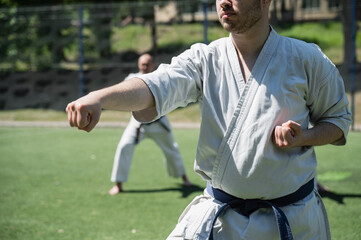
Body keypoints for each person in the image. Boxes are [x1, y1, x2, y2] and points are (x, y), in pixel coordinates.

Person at [66, 0, 352, 239]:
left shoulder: (307, 59)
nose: (223, 1)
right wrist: (100, 97)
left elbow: (338, 123)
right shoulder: (205, 59)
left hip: (292, 222)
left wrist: (304, 137)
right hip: (221, 220)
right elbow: (156, 85)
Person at [108, 53, 191, 195]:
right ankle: (118, 184)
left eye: (147, 64)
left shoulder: (162, 77)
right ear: (138, 65)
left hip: (159, 123)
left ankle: (184, 178)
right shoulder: (131, 79)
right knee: (124, 146)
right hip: (137, 124)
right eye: (142, 64)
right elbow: (120, 94)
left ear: (153, 64)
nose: (144, 67)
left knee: (172, 149)